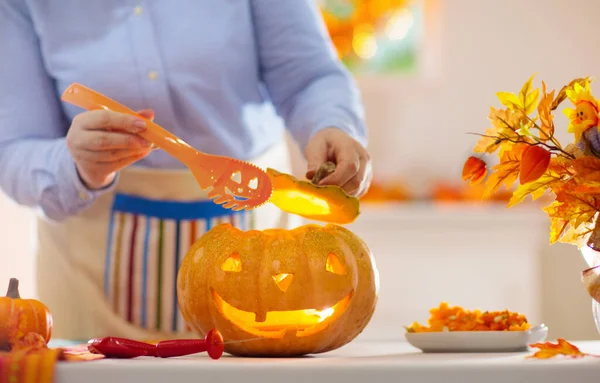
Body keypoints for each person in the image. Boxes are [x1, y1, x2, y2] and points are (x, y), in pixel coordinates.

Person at [0, 1, 372, 341]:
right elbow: (13, 148)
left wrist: (332, 125)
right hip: (86, 270)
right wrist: (75, 166)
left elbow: (309, 76)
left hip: (255, 228)